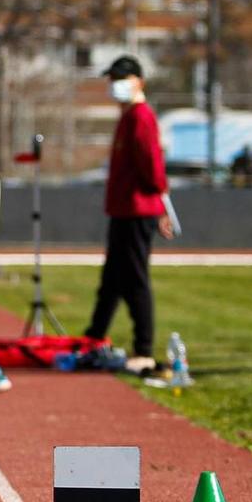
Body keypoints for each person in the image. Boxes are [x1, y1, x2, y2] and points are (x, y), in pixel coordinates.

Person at [83, 56, 173, 374]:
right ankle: (94, 335)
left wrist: (160, 199)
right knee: (112, 279)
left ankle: (144, 348)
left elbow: (152, 163)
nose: (115, 85)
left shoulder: (141, 117)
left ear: (139, 81)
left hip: (138, 209)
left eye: (122, 78)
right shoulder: (127, 117)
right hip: (123, 208)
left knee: (134, 278)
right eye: (113, 79)